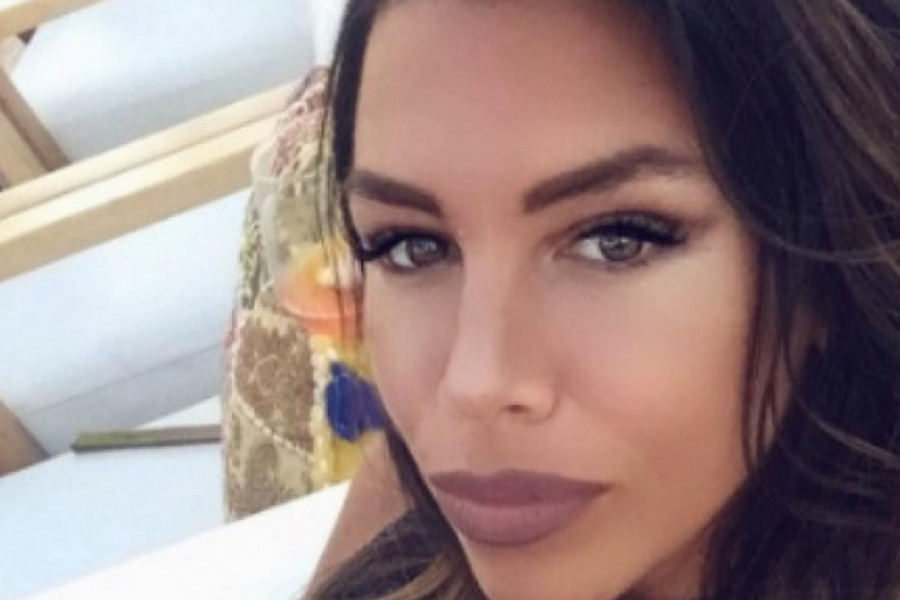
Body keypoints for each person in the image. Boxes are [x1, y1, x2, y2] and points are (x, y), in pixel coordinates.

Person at [302, 1, 900, 599]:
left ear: (832, 260)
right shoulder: (400, 530)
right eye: (411, 246)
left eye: (616, 241)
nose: (473, 386)